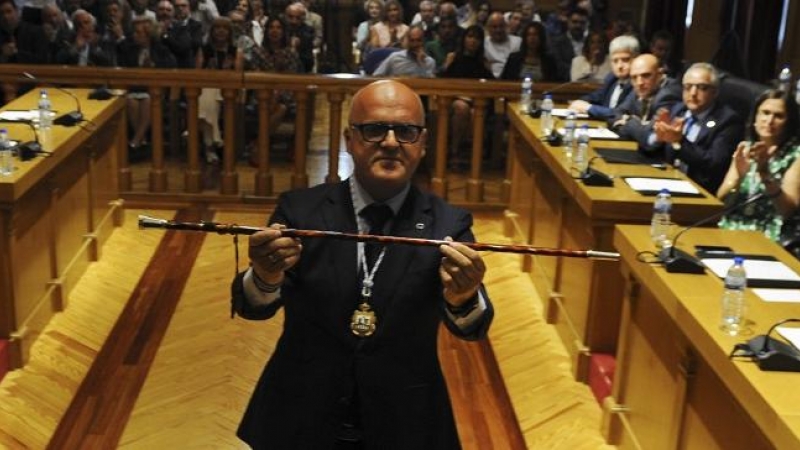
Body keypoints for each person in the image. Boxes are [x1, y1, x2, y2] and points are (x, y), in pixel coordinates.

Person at [231, 79, 494, 448]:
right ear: (349, 139)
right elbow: (253, 308)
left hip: (404, 419)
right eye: (374, 130)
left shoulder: (449, 224)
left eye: (405, 131)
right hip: (300, 415)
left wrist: (464, 296)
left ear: (423, 143)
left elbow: (471, 328)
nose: (390, 142)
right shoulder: (300, 210)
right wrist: (265, 275)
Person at [717, 90, 800, 243]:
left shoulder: (795, 155)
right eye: (765, 113)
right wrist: (737, 179)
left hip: (769, 237)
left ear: (789, 122)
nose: (769, 120)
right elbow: (721, 202)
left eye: (778, 116)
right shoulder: (746, 148)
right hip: (730, 230)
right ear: (755, 117)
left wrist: (764, 173)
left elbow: (787, 211)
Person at [650, 62, 743, 194]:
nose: (693, 93)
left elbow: (713, 163)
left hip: (699, 191)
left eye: (702, 88)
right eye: (688, 87)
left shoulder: (728, 121)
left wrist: (680, 142)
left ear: (715, 92)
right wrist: (658, 138)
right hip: (667, 182)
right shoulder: (678, 110)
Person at [609, 53, 681, 151]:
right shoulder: (642, 89)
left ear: (660, 74)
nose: (639, 83)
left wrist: (629, 121)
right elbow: (616, 114)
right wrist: (639, 126)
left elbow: (650, 138)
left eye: (646, 75)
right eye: (634, 77)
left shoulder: (669, 95)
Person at [568, 34, 638, 119]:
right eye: (615, 61)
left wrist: (588, 108)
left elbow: (619, 113)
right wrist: (580, 101)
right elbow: (596, 97)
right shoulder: (612, 78)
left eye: (625, 60)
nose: (619, 66)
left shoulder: (638, 84)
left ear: (636, 59)